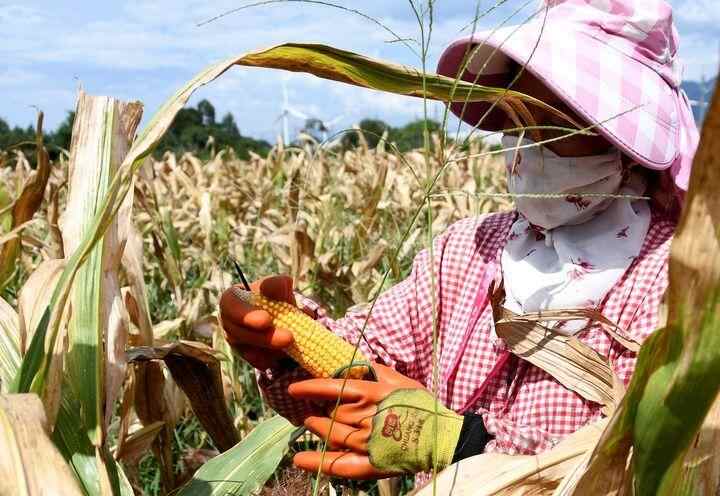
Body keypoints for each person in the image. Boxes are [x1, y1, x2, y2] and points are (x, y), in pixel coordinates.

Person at [219, 0, 699, 484]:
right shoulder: (467, 250)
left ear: (624, 141)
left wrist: (462, 442)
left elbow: (646, 462)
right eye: (515, 118)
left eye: (554, 123)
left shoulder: (677, 283)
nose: (526, 146)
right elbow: (364, 368)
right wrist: (286, 344)